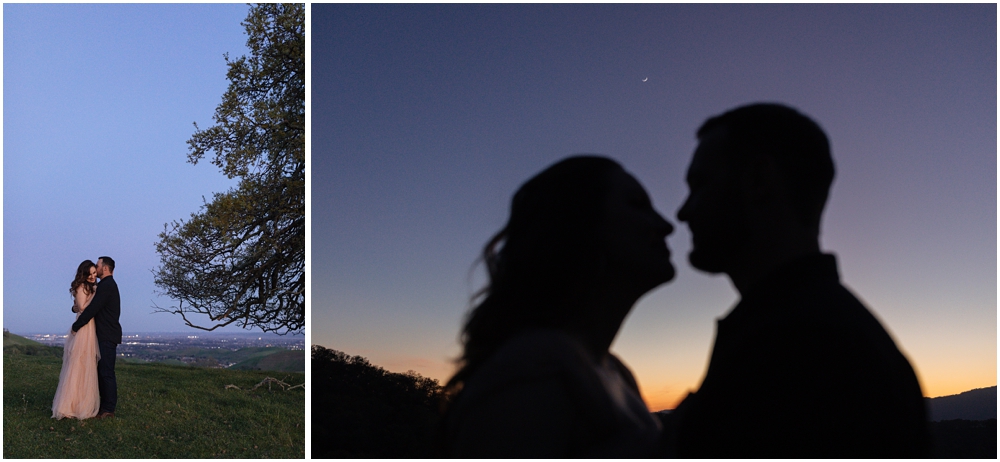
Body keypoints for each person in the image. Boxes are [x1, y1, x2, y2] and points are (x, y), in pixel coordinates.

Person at [672, 103, 931, 457]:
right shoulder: (822, 331)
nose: (683, 212)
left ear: (758, 180)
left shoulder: (796, 351)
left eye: (699, 184)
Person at [441, 156, 675, 457]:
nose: (666, 225)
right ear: (578, 225)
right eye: (636, 204)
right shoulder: (531, 371)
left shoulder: (615, 372)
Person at [71, 256, 122, 419]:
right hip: (103, 334)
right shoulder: (104, 285)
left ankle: (108, 409)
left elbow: (92, 309)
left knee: (106, 372)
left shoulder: (107, 286)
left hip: (107, 335)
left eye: (98, 266)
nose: (96, 269)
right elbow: (86, 304)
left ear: (105, 268)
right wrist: (76, 308)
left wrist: (76, 326)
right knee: (102, 372)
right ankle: (102, 407)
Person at [52, 260, 102, 420]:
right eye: (90, 274)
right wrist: (95, 299)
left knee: (87, 364)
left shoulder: (92, 287)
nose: (93, 276)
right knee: (77, 364)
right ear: (84, 274)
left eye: (95, 273)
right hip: (83, 328)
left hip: (91, 327)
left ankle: (83, 403)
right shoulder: (82, 287)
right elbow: (81, 307)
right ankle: (70, 405)